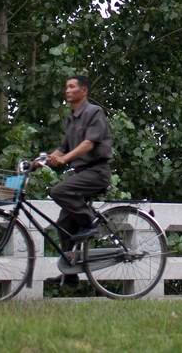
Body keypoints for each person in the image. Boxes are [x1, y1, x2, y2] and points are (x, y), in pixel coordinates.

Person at [38, 74, 112, 285]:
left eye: (72, 87)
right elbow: (62, 148)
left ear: (84, 90)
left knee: (58, 191)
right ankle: (70, 274)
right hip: (81, 173)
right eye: (66, 87)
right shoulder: (71, 118)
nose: (68, 90)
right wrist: (40, 161)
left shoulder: (94, 112)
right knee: (63, 223)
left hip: (97, 172)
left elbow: (88, 144)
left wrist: (64, 159)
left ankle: (89, 223)